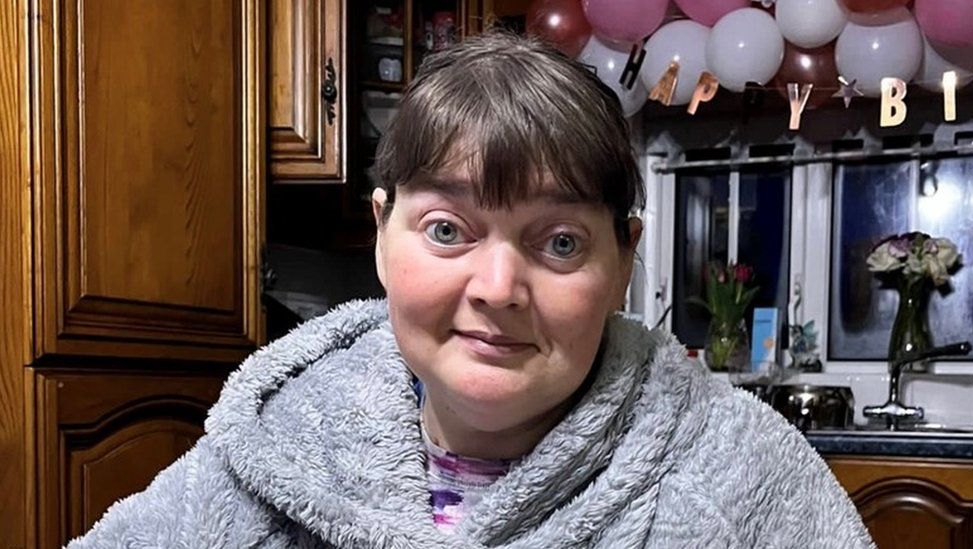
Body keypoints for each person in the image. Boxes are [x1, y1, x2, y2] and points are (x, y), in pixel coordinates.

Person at [69, 31, 874, 548]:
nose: (497, 288)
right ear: (383, 234)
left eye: (559, 242)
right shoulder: (269, 448)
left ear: (623, 258)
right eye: (448, 230)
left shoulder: (737, 473)